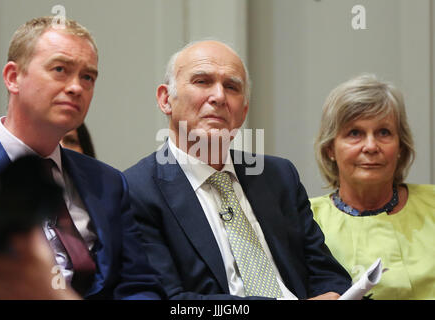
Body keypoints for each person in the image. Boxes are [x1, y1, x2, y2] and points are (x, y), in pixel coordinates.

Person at [123, 40, 351, 300]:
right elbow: (172, 301)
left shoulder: (278, 177)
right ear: (166, 100)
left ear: (243, 111)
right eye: (202, 81)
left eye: (231, 87)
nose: (219, 96)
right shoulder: (136, 190)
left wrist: (333, 294)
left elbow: (327, 272)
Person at [0, 16, 164, 300]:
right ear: (13, 77)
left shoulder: (108, 182)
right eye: (60, 69)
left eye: (87, 77)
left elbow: (139, 286)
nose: (76, 87)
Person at [311, 74, 435, 299]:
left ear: (400, 146)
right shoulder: (307, 220)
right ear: (330, 148)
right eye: (355, 133)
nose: (370, 146)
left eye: (384, 133)